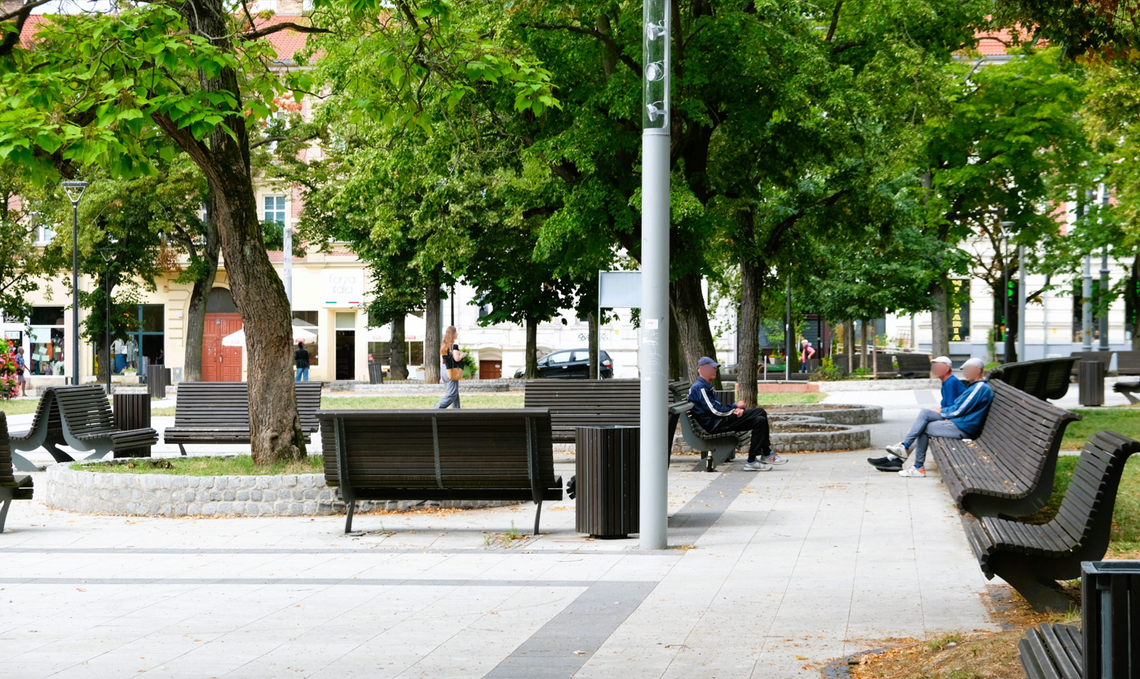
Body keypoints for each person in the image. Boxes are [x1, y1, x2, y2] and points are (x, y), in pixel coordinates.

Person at [870, 357, 993, 478]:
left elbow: (958, 409)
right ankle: (907, 454)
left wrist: (943, 413)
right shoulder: (973, 386)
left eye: (968, 369)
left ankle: (910, 458)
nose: (965, 372)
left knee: (924, 424)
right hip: (960, 423)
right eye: (963, 370)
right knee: (924, 417)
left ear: (978, 370)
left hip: (964, 426)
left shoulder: (979, 387)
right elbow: (957, 406)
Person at [687, 356, 787, 471]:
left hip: (719, 421)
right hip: (716, 425)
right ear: (702, 368)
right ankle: (766, 453)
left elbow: (716, 408)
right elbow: (714, 411)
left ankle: (752, 460)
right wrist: (733, 410)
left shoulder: (705, 386)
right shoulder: (700, 388)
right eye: (713, 368)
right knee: (760, 411)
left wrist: (734, 408)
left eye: (715, 368)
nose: (715, 370)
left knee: (760, 420)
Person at [867, 355, 963, 471]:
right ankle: (895, 458)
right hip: (950, 417)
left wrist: (941, 413)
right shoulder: (947, 382)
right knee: (918, 427)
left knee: (923, 418)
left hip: (954, 421)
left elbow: (953, 407)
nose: (934, 369)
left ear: (947, 369)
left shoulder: (951, 382)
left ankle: (898, 454)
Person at [432, 326, 463, 409]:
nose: (457, 334)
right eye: (456, 332)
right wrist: (462, 355)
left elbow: (442, 360)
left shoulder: (444, 345)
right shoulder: (454, 346)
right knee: (452, 394)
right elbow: (456, 358)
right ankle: (436, 409)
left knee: (454, 393)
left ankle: (457, 411)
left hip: (444, 369)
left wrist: (442, 376)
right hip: (451, 370)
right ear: (453, 334)